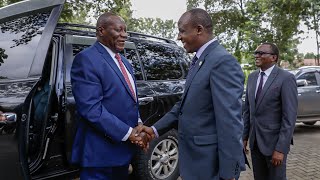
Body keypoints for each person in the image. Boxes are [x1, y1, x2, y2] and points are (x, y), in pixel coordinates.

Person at [137, 8, 245, 180]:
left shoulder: (222, 62)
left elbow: (230, 121)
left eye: (182, 31)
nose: (179, 37)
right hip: (194, 162)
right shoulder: (200, 60)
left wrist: (229, 172)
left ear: (199, 30)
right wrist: (154, 130)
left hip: (210, 165)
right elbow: (183, 105)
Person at [70, 12, 147, 180]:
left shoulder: (125, 62)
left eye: (125, 30)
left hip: (122, 153)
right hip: (99, 155)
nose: (124, 34)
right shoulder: (86, 59)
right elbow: (91, 109)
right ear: (101, 30)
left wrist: (139, 124)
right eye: (119, 30)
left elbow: (130, 99)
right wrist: (129, 133)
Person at [242, 43, 298, 180]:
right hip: (255, 144)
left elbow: (289, 117)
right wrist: (244, 138)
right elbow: (247, 111)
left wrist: (281, 149)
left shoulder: (286, 78)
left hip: (274, 145)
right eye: (255, 53)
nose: (256, 56)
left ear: (274, 57)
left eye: (261, 53)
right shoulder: (252, 78)